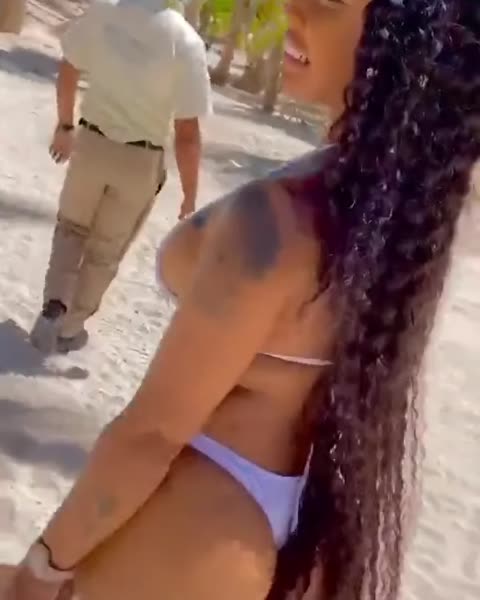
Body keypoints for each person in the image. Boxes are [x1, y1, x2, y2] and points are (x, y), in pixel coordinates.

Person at [5, 1, 480, 600]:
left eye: (328, 4)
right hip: (302, 507)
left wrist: (44, 566)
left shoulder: (275, 224)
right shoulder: (408, 209)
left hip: (204, 509)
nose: (292, 7)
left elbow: (150, 435)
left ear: (402, 40)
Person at [30, 0, 212, 354]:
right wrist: (189, 196)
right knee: (106, 249)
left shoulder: (105, 10)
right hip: (140, 161)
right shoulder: (187, 42)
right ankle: (70, 329)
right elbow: (188, 134)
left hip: (92, 144)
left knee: (71, 229)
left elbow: (69, 67)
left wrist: (65, 126)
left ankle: (54, 306)